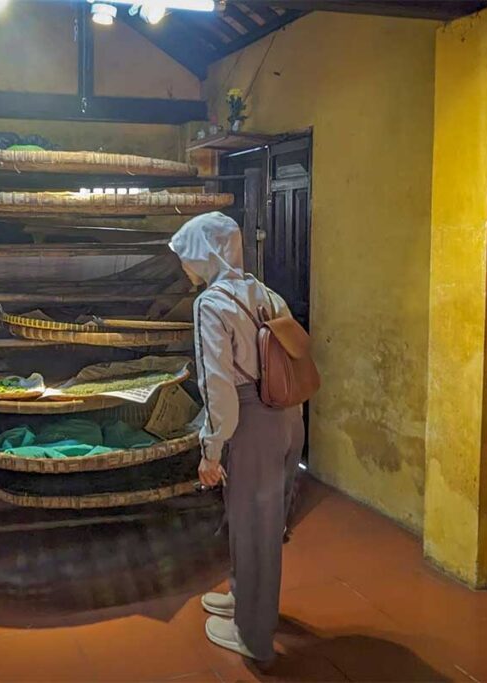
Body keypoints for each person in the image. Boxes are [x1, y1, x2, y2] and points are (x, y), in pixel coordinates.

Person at [169, 212, 305, 663]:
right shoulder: (266, 293)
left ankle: (254, 637)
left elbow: (218, 387)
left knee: (255, 527)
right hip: (288, 416)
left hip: (252, 421)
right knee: (259, 520)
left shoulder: (211, 304)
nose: (183, 266)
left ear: (202, 255)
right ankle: (244, 597)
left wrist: (211, 449)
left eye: (185, 256)